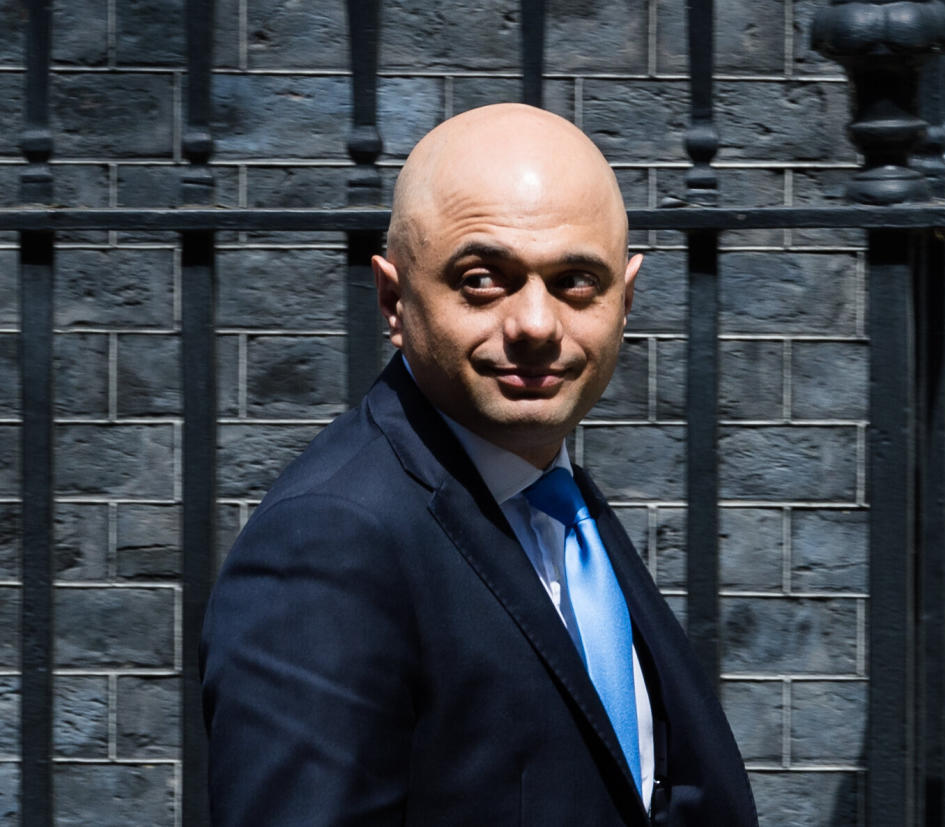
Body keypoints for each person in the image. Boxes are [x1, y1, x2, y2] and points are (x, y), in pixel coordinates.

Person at [200, 103, 757, 825]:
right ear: (393, 299)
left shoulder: (554, 497)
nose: (534, 323)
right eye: (483, 278)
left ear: (626, 297)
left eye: (576, 281)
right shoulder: (328, 543)